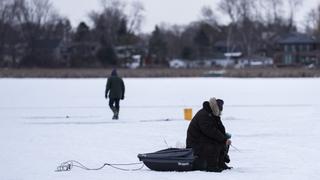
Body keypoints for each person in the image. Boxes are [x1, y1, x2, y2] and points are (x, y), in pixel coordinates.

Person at [186, 97, 232, 172]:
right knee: (214, 145)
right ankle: (211, 166)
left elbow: (219, 128)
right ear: (216, 108)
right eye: (220, 111)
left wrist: (224, 137)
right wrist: (223, 139)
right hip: (195, 143)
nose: (220, 113)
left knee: (221, 142)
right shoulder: (203, 114)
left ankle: (221, 163)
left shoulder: (212, 114)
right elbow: (209, 130)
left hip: (202, 139)